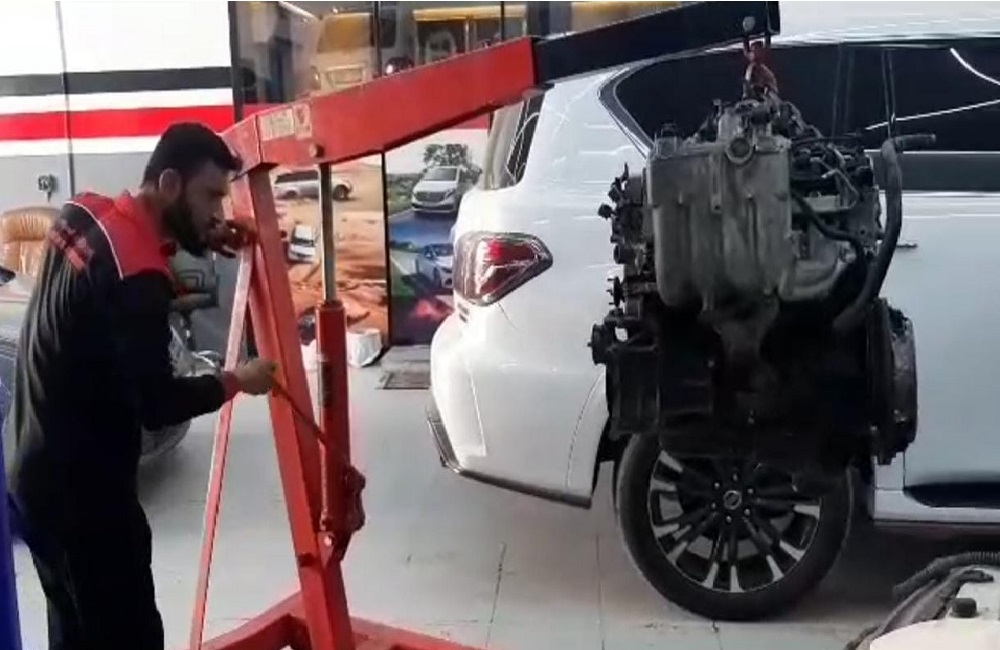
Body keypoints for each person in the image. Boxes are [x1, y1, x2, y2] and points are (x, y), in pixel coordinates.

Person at [5, 122, 277, 650]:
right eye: (211, 197)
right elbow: (158, 404)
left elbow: (114, 269)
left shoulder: (80, 213)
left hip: (33, 476)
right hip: (85, 501)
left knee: (74, 632)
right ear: (170, 183)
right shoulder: (140, 282)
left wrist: (202, 235)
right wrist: (236, 380)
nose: (217, 211)